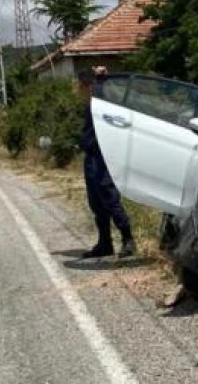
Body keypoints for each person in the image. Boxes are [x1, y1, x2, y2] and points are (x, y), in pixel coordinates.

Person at [77, 66, 135, 259]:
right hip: (91, 157)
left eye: (82, 85)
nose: (80, 89)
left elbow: (111, 96)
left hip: (104, 157)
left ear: (89, 85)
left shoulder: (103, 101)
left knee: (109, 197)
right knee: (96, 202)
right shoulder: (91, 103)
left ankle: (128, 239)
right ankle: (105, 243)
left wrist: (103, 78)